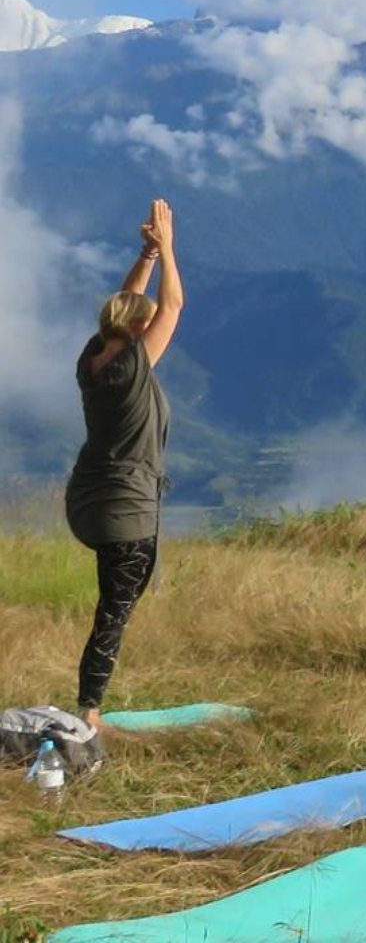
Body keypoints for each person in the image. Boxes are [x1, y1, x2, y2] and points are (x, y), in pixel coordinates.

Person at [66, 199, 184, 731]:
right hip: (126, 511)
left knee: (116, 597)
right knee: (115, 610)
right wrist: (171, 251)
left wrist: (148, 254)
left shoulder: (94, 357)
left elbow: (129, 302)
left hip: (88, 502)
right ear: (138, 331)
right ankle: (90, 710)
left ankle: (91, 702)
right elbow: (173, 307)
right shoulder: (135, 363)